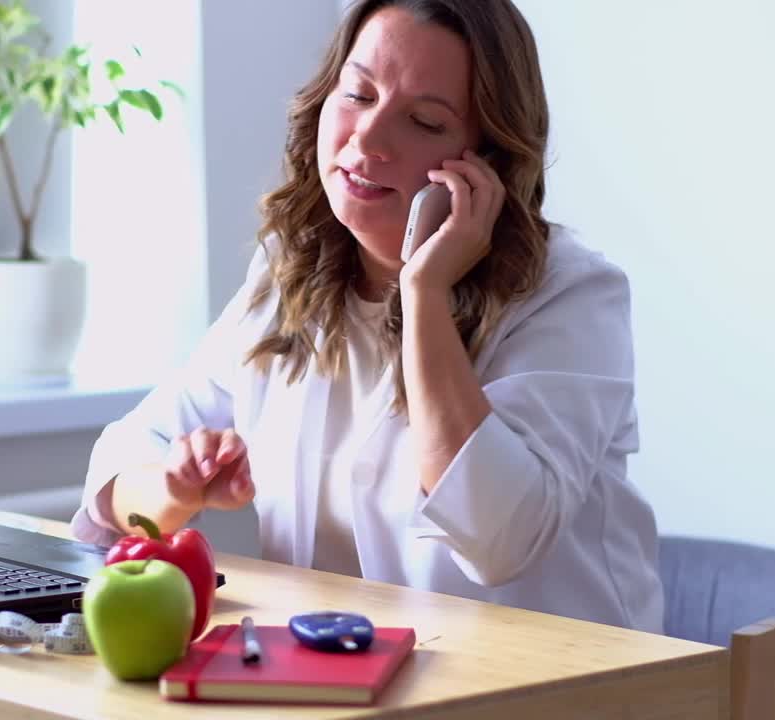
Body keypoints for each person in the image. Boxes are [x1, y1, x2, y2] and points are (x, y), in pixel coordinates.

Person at [71, 0, 664, 633]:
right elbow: (122, 461)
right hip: (340, 686)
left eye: (424, 121)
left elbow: (499, 538)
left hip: (564, 690)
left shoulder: (571, 295)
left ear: (484, 162)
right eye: (357, 93)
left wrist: (425, 292)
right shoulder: (287, 275)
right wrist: (175, 486)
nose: (367, 138)